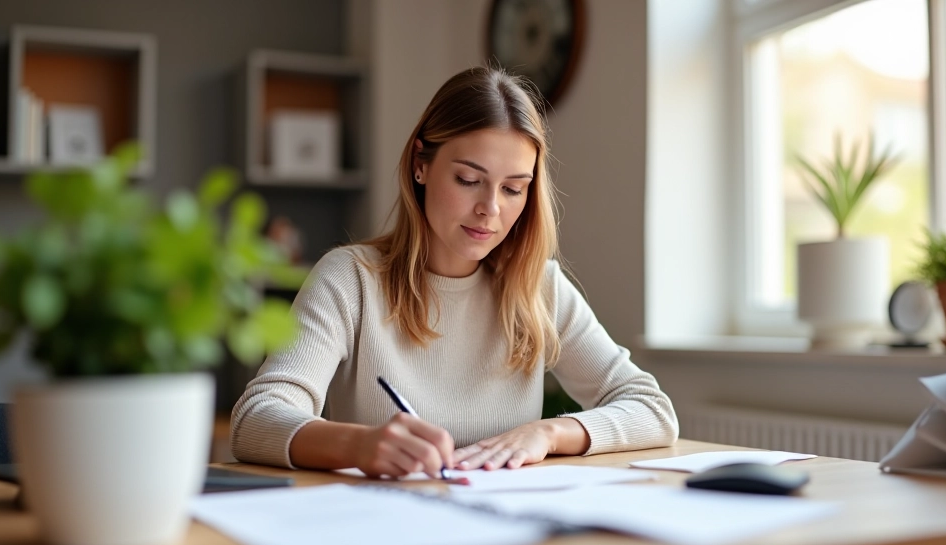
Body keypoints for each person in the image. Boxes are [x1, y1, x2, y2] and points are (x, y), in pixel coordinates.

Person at [231, 66, 679, 479]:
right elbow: (256, 418)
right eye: (469, 180)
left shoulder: (538, 288)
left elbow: (652, 409)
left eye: (513, 189)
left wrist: (547, 433)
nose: (490, 208)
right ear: (421, 165)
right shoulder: (350, 280)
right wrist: (359, 444)